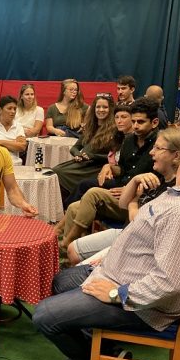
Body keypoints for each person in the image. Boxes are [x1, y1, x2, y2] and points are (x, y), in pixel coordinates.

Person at [32, 134, 180, 360]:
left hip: (142, 304)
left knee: (44, 315)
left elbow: (170, 281)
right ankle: (102, 347)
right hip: (122, 276)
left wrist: (116, 294)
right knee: (61, 281)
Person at [66, 127, 180, 265]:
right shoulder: (159, 177)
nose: (151, 152)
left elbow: (139, 222)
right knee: (72, 250)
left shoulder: (174, 190)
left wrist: (134, 202)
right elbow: (123, 204)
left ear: (176, 156)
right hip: (128, 233)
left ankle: (66, 246)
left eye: (158, 148)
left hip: (137, 245)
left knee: (74, 266)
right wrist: (135, 180)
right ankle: (66, 245)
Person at [58, 98, 160, 250]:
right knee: (73, 207)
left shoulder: (160, 145)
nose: (135, 126)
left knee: (92, 192)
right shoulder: (129, 140)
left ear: (154, 122)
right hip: (120, 193)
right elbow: (123, 170)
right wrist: (110, 167)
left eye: (141, 122)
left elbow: (159, 181)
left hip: (141, 202)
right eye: (133, 121)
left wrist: (130, 189)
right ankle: (71, 252)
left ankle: (67, 242)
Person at [53, 93, 117, 197]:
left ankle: (69, 200)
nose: (101, 110)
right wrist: (77, 154)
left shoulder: (114, 130)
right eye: (98, 107)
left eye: (105, 107)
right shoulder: (90, 127)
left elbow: (114, 158)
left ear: (111, 109)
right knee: (55, 171)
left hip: (96, 167)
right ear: (94, 109)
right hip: (83, 163)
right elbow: (75, 148)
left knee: (59, 172)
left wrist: (92, 156)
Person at [0, 95, 27, 166]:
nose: (13, 111)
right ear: (0, 110)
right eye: (9, 108)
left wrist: (0, 142)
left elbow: (22, 146)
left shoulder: (18, 126)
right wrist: (13, 143)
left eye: (15, 109)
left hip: (15, 164)